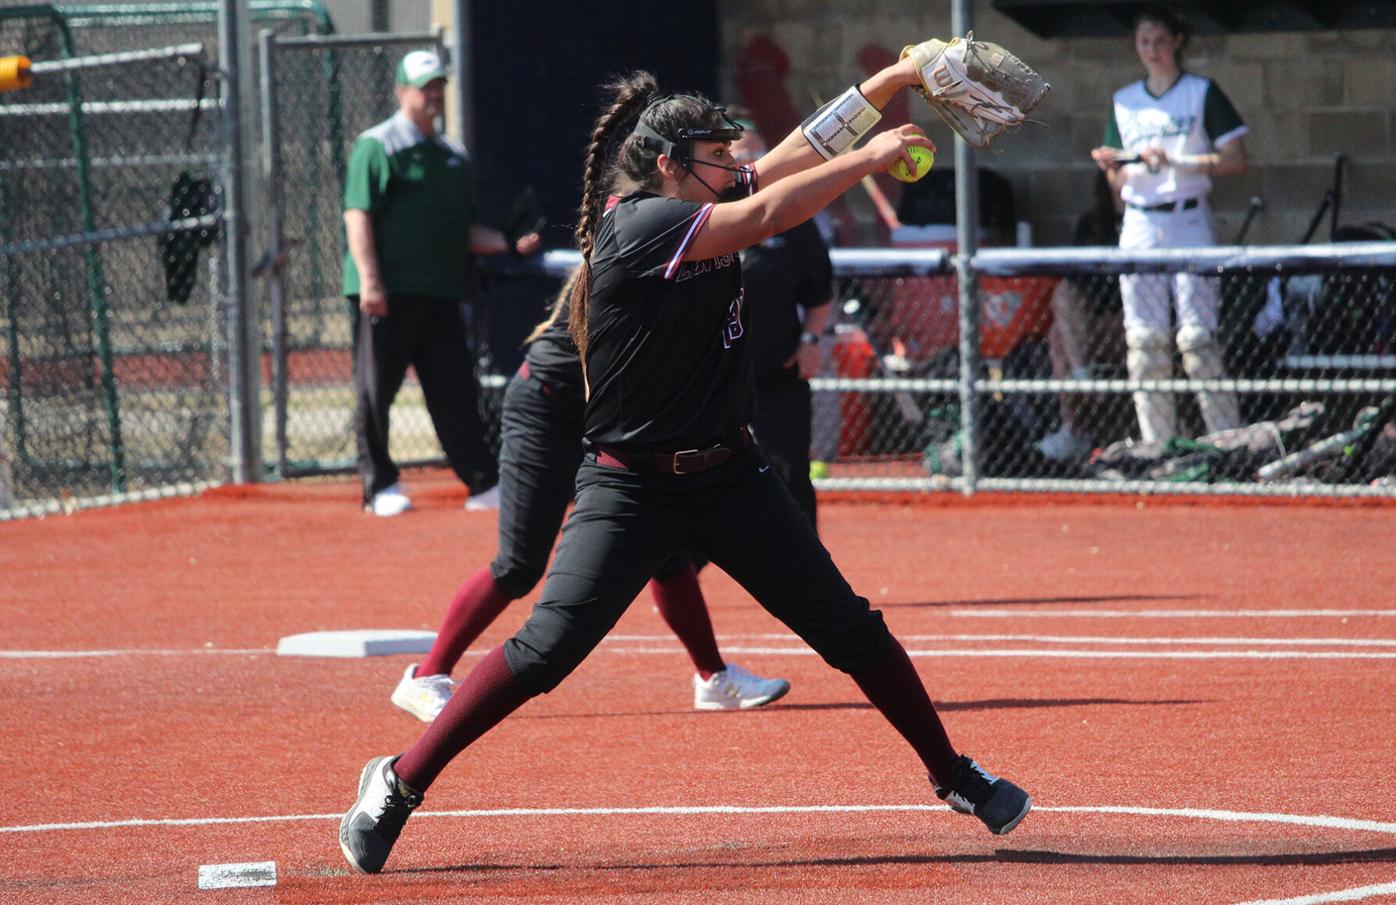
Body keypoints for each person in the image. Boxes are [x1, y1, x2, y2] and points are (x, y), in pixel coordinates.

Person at [341, 59, 1032, 876]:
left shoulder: (703, 194)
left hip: (731, 477)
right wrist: (872, 160)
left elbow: (799, 148)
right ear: (668, 164)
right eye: (714, 155)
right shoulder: (639, 224)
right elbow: (775, 203)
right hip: (630, 485)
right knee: (544, 651)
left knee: (850, 628)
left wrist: (896, 76)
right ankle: (400, 780)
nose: (732, 166)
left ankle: (953, 774)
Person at [390, 267, 790, 722]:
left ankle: (714, 678)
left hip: (607, 415)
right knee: (519, 565)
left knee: (668, 546)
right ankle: (426, 675)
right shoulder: (647, 253)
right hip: (549, 407)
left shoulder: (687, 259)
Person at [343, 49, 541, 517]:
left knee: (454, 391)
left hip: (442, 293)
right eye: (424, 86)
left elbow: (463, 232)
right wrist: (370, 281)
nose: (433, 94)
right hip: (386, 295)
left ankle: (480, 482)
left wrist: (509, 244)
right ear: (401, 92)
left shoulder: (453, 155)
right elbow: (358, 217)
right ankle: (379, 486)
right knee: (376, 393)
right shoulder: (377, 145)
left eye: (438, 86)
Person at [1091, 7, 1246, 445]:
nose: (1153, 50)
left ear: (1177, 41)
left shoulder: (1200, 92)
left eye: (1160, 40)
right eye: (1144, 42)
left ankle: (1226, 442)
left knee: (1197, 340)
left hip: (1187, 215)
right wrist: (1112, 165)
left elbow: (1235, 158)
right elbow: (1118, 182)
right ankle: (1157, 445)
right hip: (1141, 220)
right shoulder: (1125, 100)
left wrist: (1176, 159)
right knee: (1145, 342)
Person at [728, 116, 834, 528]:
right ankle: (675, 578)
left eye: (758, 155)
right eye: (738, 157)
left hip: (776, 369)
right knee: (693, 482)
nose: (750, 166)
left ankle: (807, 582)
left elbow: (819, 292)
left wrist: (811, 340)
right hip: (713, 376)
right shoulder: (698, 216)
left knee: (790, 475)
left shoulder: (788, 217)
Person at [1034, 171, 1126, 463]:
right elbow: (1077, 281)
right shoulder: (1092, 222)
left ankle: (1073, 429)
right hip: (1094, 327)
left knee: (1059, 338)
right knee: (1062, 298)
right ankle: (1082, 374)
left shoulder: (1150, 223)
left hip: (1130, 322)